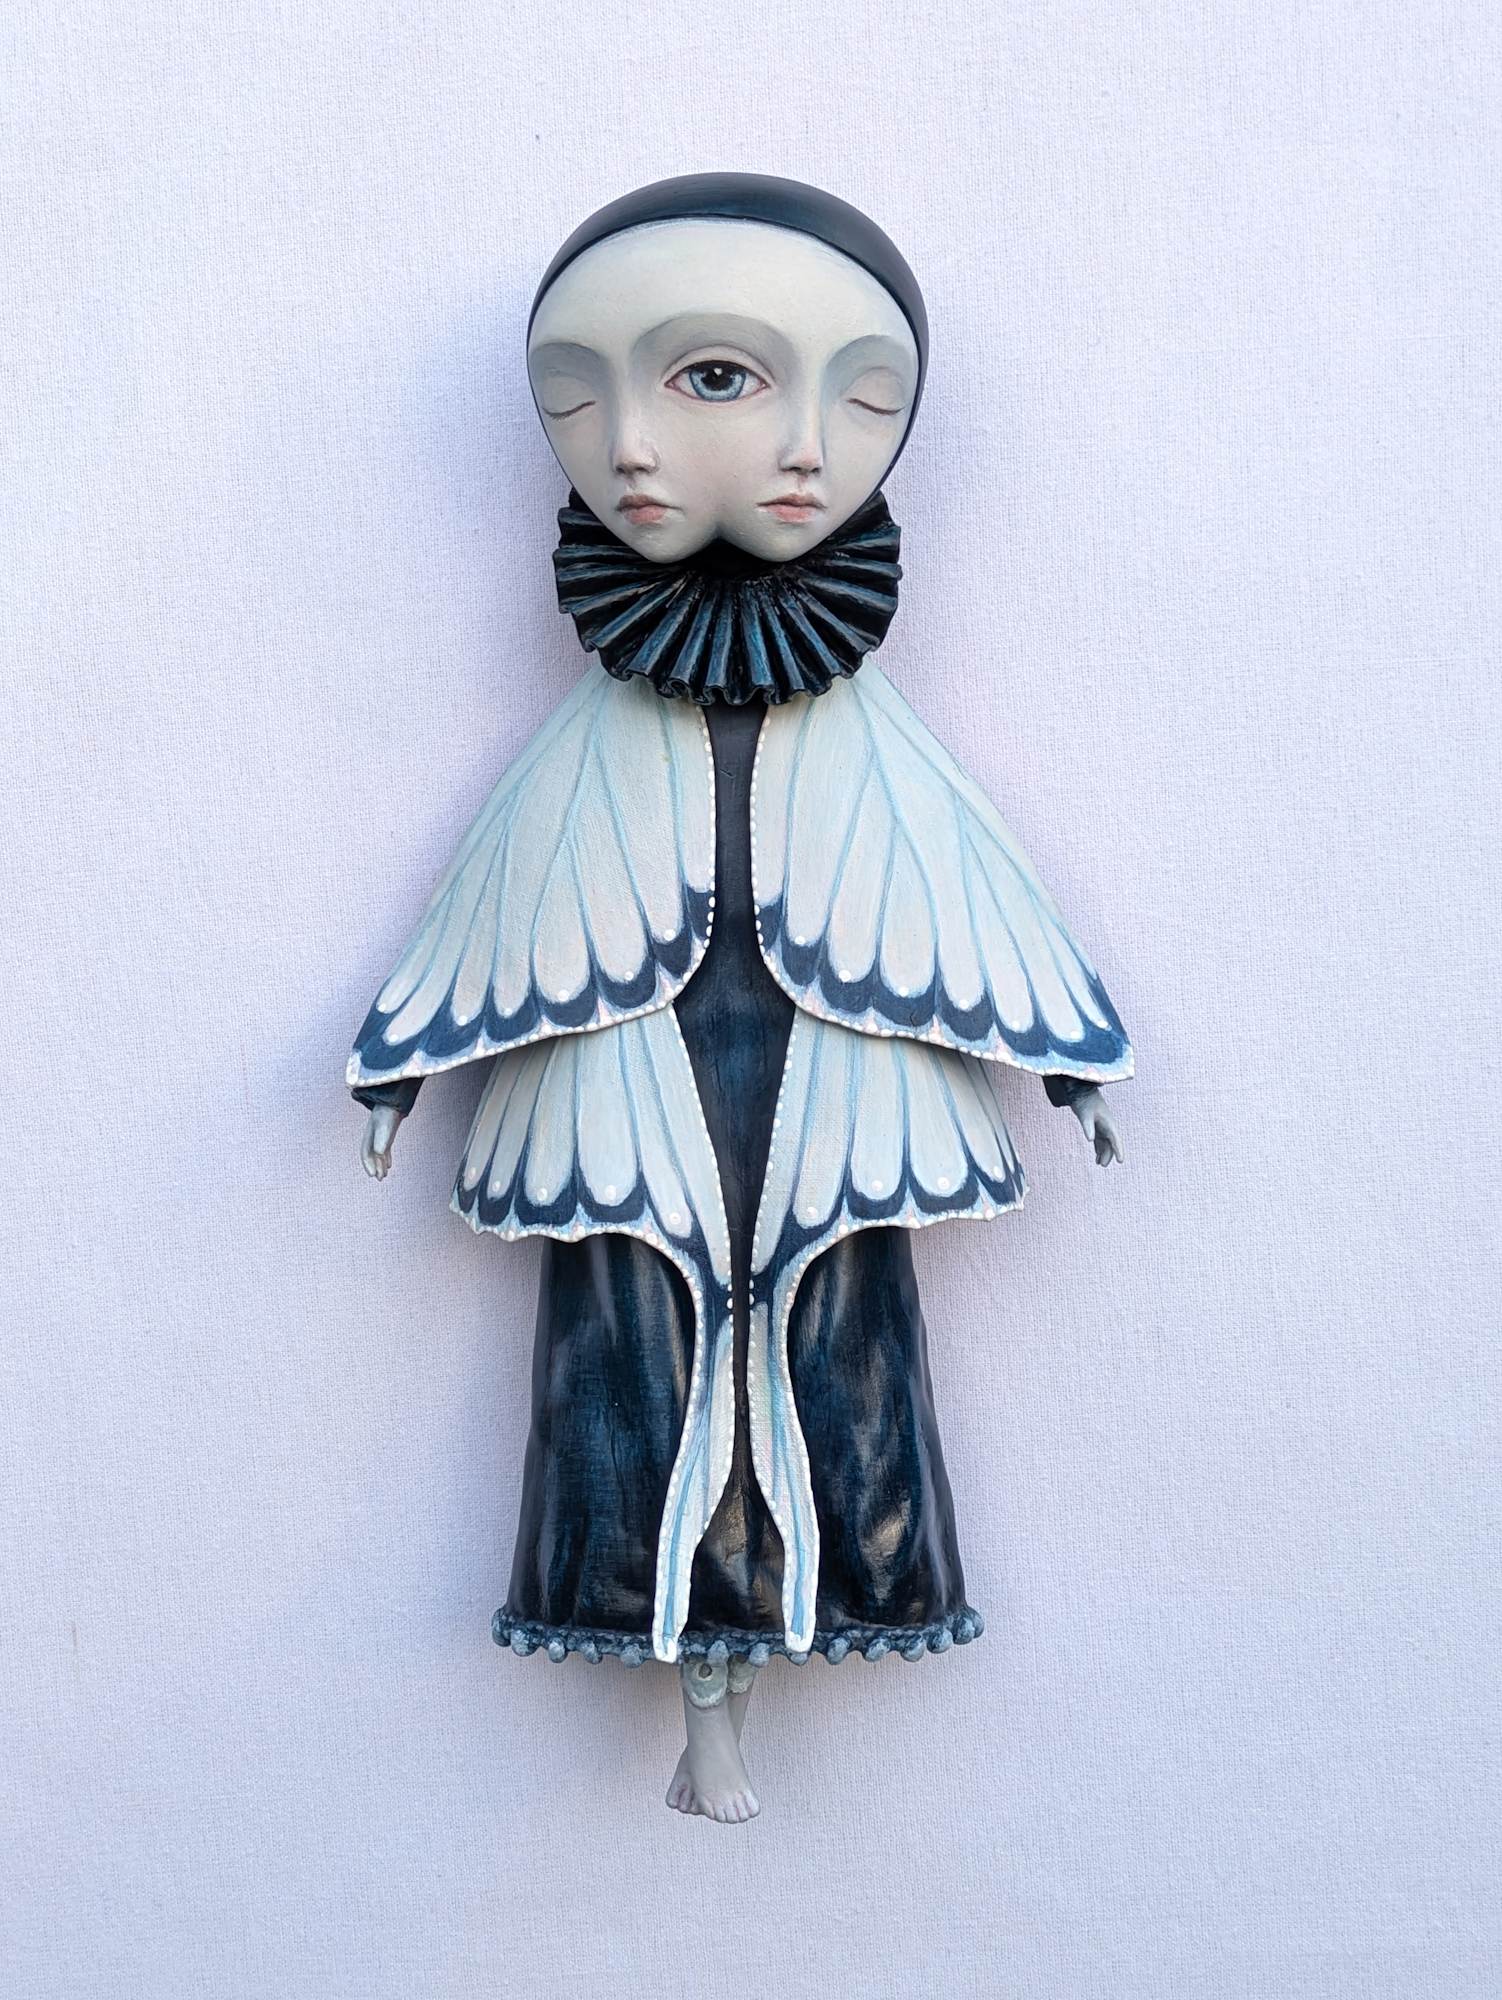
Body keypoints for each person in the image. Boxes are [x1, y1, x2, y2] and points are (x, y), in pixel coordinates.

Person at [348, 174, 1131, 1824]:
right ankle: (693, 1687)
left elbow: (956, 875)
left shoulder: (860, 727)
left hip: (832, 1075)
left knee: (829, 1339)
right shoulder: (596, 727)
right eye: (577, 396)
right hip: (624, 1077)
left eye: (705, 377)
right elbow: (506, 885)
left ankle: (792, 1635)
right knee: (632, 1353)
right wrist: (402, 1060)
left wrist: (1063, 1060)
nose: (632, 447)